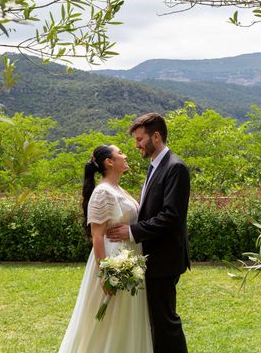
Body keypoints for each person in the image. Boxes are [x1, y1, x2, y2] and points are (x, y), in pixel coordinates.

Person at [107, 112, 191, 353]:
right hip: (154, 257)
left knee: (165, 322)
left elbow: (171, 216)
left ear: (156, 136)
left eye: (140, 139)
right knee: (157, 321)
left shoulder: (176, 167)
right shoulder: (155, 166)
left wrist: (132, 232)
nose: (137, 145)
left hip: (165, 258)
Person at [58, 144, 153, 353]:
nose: (125, 155)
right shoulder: (102, 192)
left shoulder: (118, 189)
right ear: (109, 162)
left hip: (129, 258)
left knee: (126, 316)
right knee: (110, 317)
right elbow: (97, 234)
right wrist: (104, 272)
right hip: (112, 260)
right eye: (120, 153)